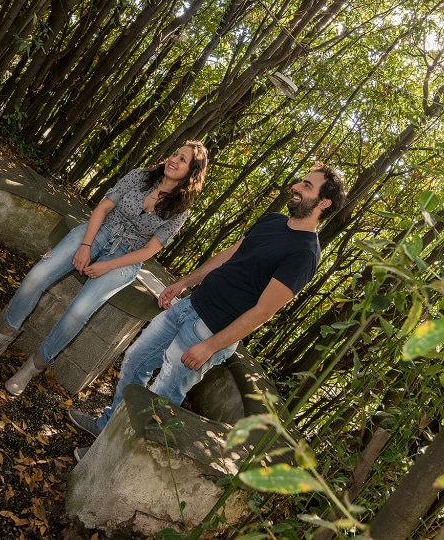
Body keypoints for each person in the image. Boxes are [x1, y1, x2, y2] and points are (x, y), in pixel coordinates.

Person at [67, 163, 345, 454]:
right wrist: (184, 283)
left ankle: (109, 455)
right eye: (301, 181)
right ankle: (106, 428)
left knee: (161, 399)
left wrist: (210, 347)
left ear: (323, 203)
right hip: (189, 307)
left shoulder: (304, 253)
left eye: (307, 186)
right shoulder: (273, 220)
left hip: (208, 332)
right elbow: (230, 255)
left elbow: (265, 311)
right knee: (135, 360)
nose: (297, 187)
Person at [0, 141, 208, 396]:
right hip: (100, 231)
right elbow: (103, 207)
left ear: (191, 173)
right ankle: (1, 336)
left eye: (183, 160)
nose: (174, 160)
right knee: (39, 275)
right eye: (175, 154)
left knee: (79, 311)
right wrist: (86, 245)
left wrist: (106, 266)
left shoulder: (180, 211)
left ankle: (32, 368)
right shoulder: (141, 176)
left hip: (126, 258)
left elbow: (148, 251)